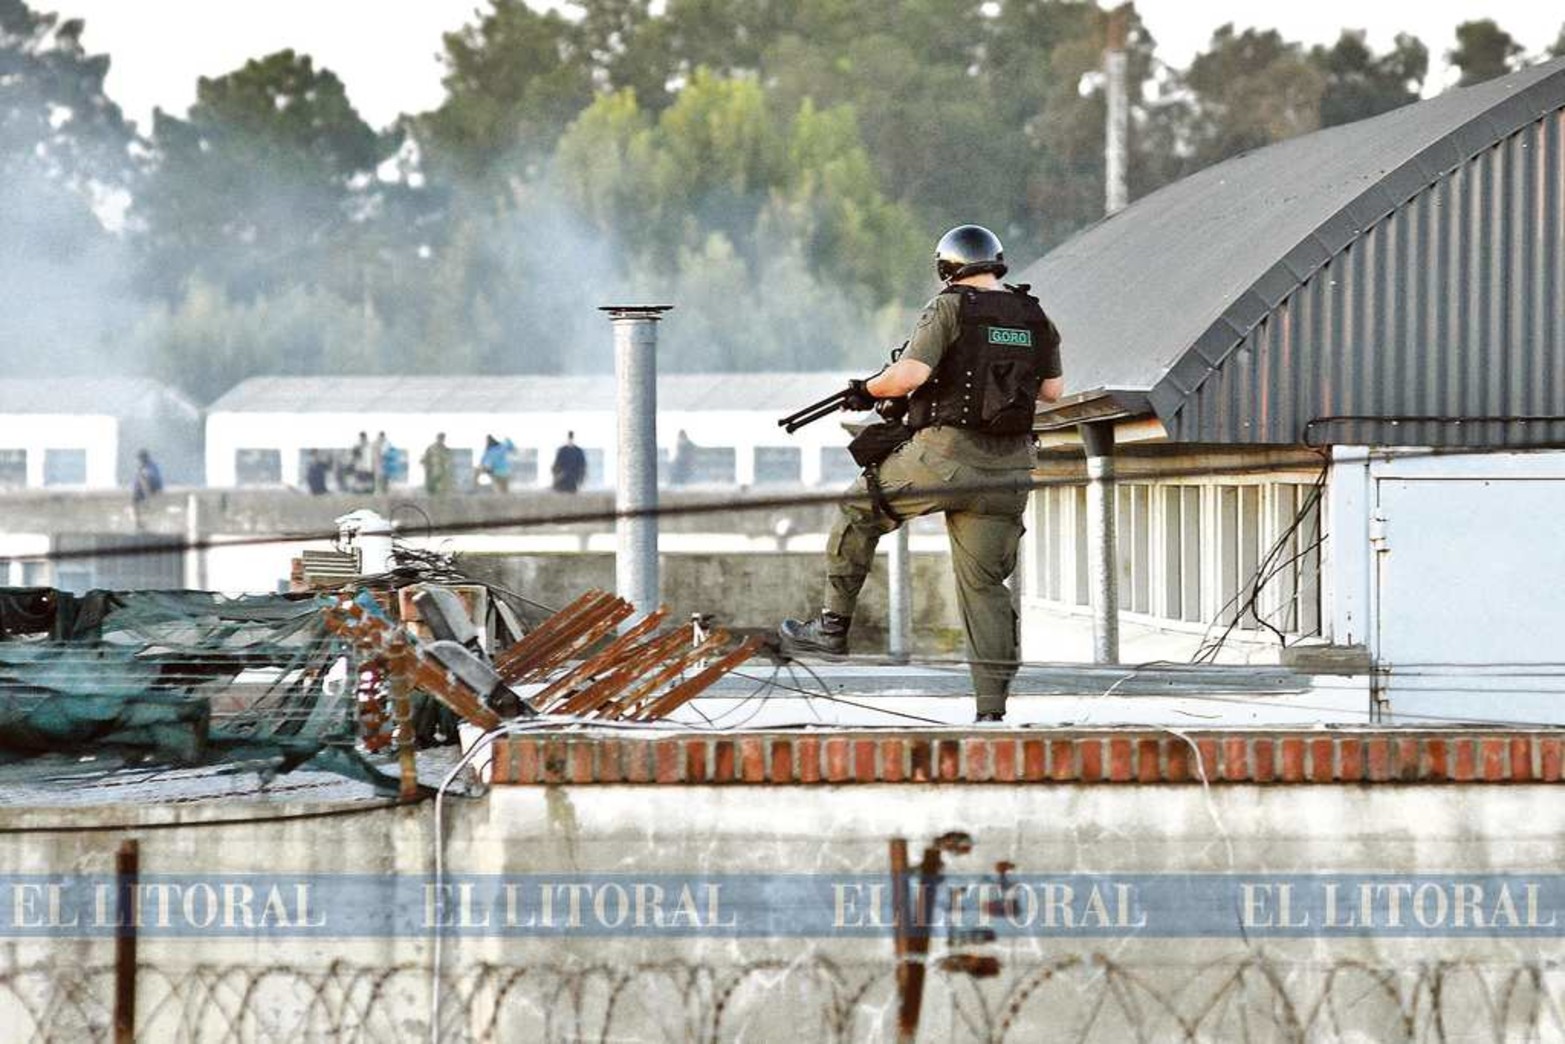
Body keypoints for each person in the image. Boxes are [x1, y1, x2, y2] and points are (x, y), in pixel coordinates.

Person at [778, 224, 1064, 723]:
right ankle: (992, 711)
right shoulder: (1034, 315)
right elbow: (1053, 391)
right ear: (996, 263)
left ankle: (831, 626)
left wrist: (866, 389)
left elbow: (909, 375)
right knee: (985, 588)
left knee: (859, 510)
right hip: (1010, 470)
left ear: (947, 268)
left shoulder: (950, 307)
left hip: (944, 458)